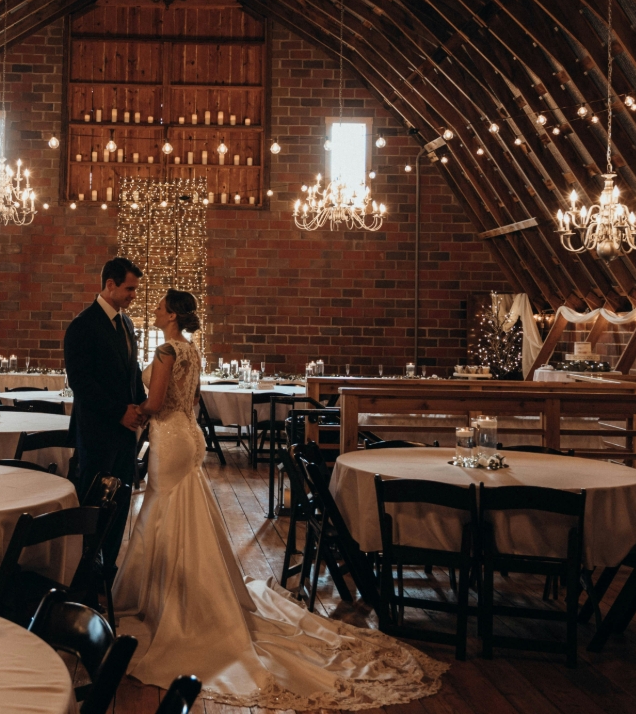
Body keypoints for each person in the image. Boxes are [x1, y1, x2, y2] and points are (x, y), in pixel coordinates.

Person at [112, 288, 445, 709]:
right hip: (189, 435)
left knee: (163, 512)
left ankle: (172, 603)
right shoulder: (191, 352)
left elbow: (157, 402)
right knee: (184, 512)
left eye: (161, 305)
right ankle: (185, 593)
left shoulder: (165, 352)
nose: (155, 309)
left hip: (170, 437)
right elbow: (191, 401)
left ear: (173, 314)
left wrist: (133, 411)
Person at [62, 257, 147, 575]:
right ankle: (84, 570)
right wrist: (119, 412)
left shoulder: (126, 323)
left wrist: (142, 405)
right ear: (110, 285)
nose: (133, 295)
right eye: (129, 288)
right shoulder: (83, 326)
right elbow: (80, 383)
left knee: (121, 501)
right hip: (97, 431)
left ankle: (107, 566)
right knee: (96, 503)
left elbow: (131, 371)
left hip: (125, 433)